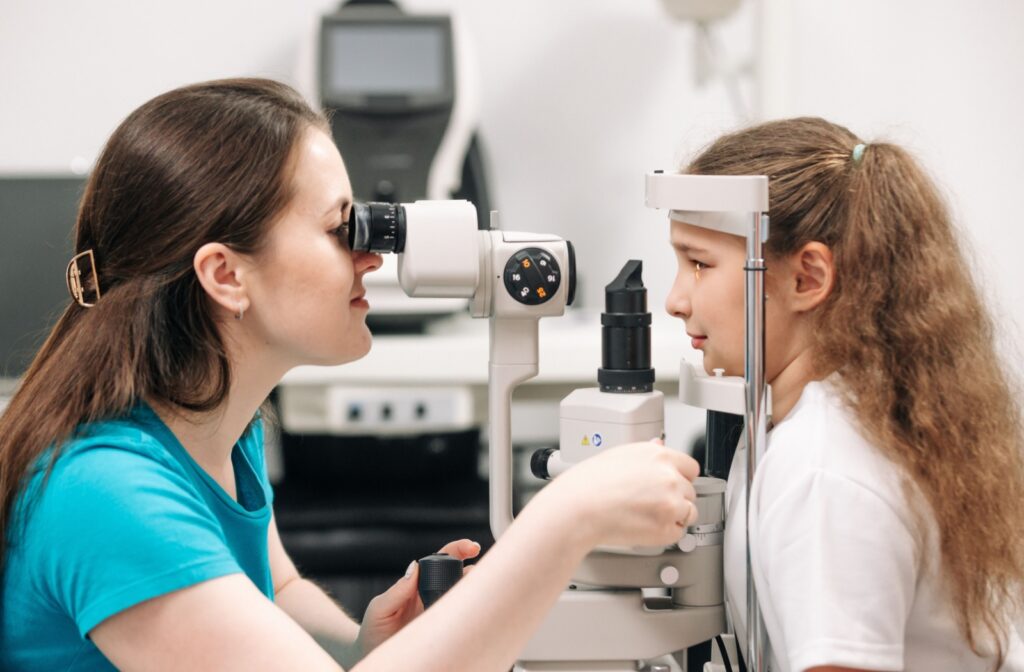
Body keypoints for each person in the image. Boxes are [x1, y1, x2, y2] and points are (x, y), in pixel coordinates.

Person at [0, 78, 701, 671]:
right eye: (342, 228)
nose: (371, 257)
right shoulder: (108, 493)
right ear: (225, 275)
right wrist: (566, 518)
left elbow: (271, 587)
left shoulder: (210, 418)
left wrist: (361, 642)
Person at [664, 117, 1024, 671]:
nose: (675, 299)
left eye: (699, 264)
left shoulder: (823, 468)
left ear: (807, 278)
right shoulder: (810, 422)